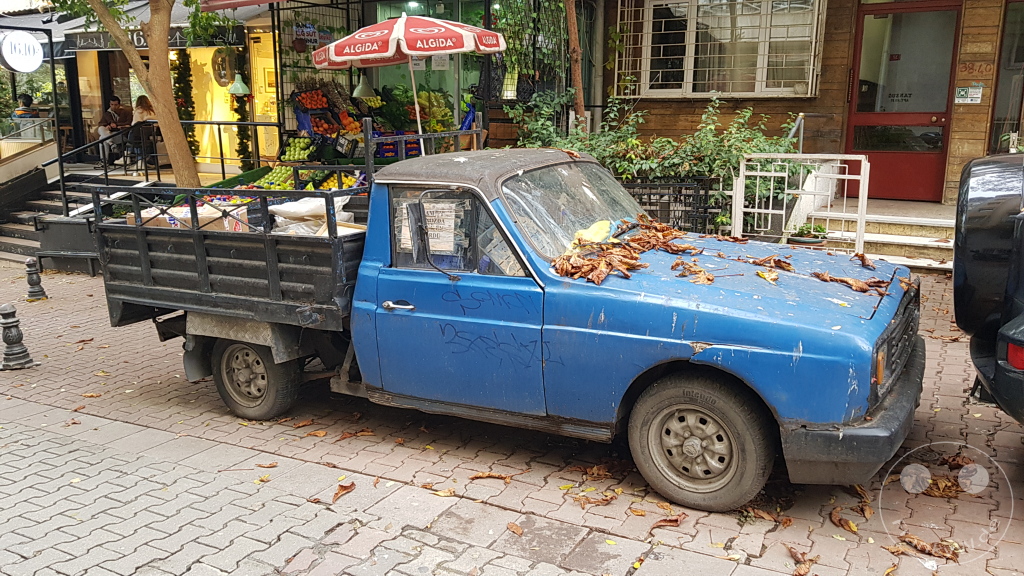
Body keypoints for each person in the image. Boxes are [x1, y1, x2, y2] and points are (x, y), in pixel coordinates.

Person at [95, 95, 132, 167]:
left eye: (115, 105)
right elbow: (101, 123)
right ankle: (111, 144)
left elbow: (129, 123)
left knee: (102, 139)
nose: (113, 107)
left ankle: (104, 161)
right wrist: (107, 126)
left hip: (122, 134)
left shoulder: (126, 112)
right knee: (101, 129)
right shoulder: (107, 114)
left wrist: (117, 125)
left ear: (119, 105)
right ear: (110, 104)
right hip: (111, 134)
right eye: (112, 105)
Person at [128, 95, 158, 167]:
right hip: (152, 133)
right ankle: (145, 160)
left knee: (132, 136)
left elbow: (135, 123)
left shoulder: (139, 111)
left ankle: (131, 156)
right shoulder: (152, 111)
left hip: (140, 133)